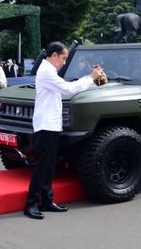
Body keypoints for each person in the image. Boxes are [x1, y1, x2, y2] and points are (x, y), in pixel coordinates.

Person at [24, 42, 103, 220]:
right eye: (63, 58)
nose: (64, 62)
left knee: (50, 166)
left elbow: (67, 86)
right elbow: (68, 89)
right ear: (53, 55)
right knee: (42, 166)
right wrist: (90, 77)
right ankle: (30, 204)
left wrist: (89, 79)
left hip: (50, 124)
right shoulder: (46, 72)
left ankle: (46, 200)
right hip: (45, 125)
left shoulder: (49, 71)